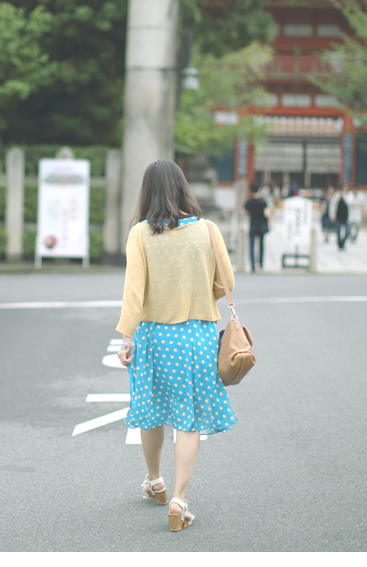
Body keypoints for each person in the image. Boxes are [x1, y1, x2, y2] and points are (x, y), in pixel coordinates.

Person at [115, 159, 237, 532]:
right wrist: (200, 293)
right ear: (183, 188)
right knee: (189, 419)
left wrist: (126, 337)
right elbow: (227, 282)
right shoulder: (208, 230)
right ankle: (179, 500)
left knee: (151, 409)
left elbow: (134, 291)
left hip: (154, 335)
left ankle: (155, 480)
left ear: (147, 192)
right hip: (198, 336)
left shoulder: (140, 234)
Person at [244, 182, 270, 272]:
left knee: (251, 245)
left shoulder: (249, 202)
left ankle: (252, 266)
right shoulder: (263, 202)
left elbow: (244, 212)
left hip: (252, 225)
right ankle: (261, 264)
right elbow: (267, 213)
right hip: (261, 225)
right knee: (261, 244)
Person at [329, 183, 350, 250]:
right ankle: (339, 243)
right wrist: (332, 215)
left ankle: (343, 242)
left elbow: (350, 202)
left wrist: (344, 195)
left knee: (348, 231)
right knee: (338, 231)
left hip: (346, 217)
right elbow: (332, 205)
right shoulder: (337, 195)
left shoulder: (349, 195)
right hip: (338, 216)